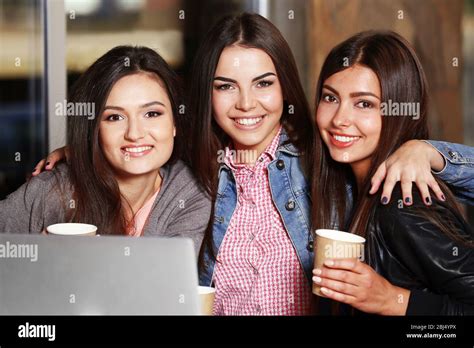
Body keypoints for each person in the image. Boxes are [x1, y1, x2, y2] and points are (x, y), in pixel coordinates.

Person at [33, 14, 474, 315]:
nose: (246, 104)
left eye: (263, 83)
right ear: (208, 93)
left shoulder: (324, 158)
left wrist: (430, 152)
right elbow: (138, 139)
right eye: (226, 86)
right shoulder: (191, 166)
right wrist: (85, 152)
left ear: (285, 87)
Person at [311, 30, 474, 315]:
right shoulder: (347, 190)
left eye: (364, 104)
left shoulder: (403, 206)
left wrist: (392, 300)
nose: (339, 119)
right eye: (330, 98)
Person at [0, 46, 211, 256]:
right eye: (114, 117)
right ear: (94, 129)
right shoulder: (55, 190)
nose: (134, 134)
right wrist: (35, 259)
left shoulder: (190, 194)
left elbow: (167, 281)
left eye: (152, 113)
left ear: (174, 122)